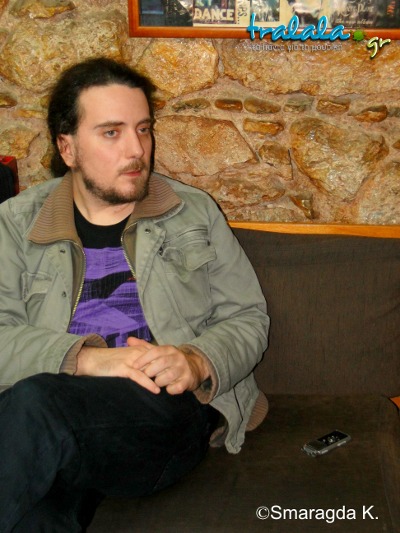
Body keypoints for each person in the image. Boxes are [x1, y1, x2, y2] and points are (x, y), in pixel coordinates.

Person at [0, 57, 269, 532]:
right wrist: (86, 359)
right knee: (35, 513)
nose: (137, 149)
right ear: (67, 147)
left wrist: (196, 360)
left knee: (35, 406)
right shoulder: (16, 223)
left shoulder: (192, 212)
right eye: (112, 132)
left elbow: (249, 317)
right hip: (56, 414)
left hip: (162, 411)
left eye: (143, 129)